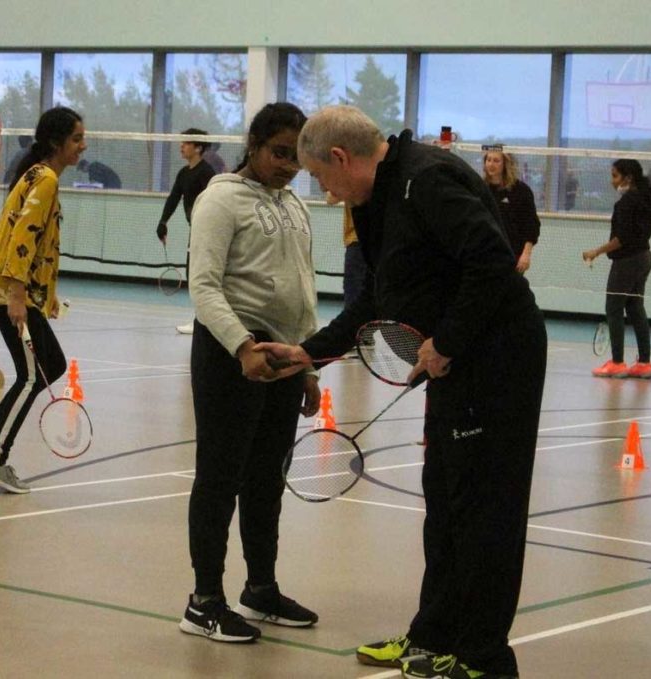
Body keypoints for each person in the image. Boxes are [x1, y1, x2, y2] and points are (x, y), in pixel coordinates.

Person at [254, 105, 547, 679]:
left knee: (486, 511)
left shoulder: (426, 179)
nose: (327, 192)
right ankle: (432, 637)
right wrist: (310, 351)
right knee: (444, 503)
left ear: (341, 158)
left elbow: (492, 263)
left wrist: (450, 341)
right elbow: (375, 298)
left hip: (498, 359)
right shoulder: (377, 200)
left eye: (322, 177)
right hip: (454, 362)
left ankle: (485, 659)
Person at [178, 103, 322, 644]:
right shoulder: (220, 197)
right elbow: (204, 286)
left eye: (297, 156)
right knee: (219, 480)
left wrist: (306, 365)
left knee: (267, 481)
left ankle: (260, 589)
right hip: (230, 356)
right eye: (280, 153)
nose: (289, 165)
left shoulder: (294, 205)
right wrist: (241, 346)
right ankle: (203, 601)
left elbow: (302, 289)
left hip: (284, 359)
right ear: (255, 144)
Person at [0, 107, 86, 494]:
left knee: (52, 363)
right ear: (57, 143)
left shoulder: (38, 174)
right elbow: (23, 237)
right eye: (77, 139)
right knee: (36, 372)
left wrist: (45, 297)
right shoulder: (46, 178)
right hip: (7, 288)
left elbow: (39, 243)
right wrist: (18, 294)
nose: (83, 145)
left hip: (14, 287)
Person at [582, 158, 651, 380]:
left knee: (614, 308)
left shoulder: (626, 203)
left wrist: (595, 252)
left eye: (615, 176)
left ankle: (617, 363)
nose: (611, 181)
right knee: (636, 308)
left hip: (627, 261)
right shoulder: (646, 200)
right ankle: (644, 363)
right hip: (644, 258)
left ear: (628, 178)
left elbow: (620, 239)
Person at [156, 127, 217, 334]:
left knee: (202, 275)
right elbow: (174, 198)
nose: (181, 146)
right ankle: (201, 320)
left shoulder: (207, 173)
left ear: (198, 147)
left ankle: (203, 322)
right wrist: (163, 222)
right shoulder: (184, 173)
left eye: (186, 143)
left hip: (208, 231)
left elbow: (215, 202)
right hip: (195, 230)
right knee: (194, 274)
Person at [482, 147, 540, 274]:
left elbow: (531, 226)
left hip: (513, 255)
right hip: (485, 254)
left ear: (505, 164)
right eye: (489, 160)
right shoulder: (480, 188)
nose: (491, 164)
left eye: (496, 161)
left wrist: (526, 254)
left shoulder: (521, 191)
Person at [326, 190, 368, 306]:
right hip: (366, 242)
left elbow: (331, 198)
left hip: (357, 242)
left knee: (355, 295)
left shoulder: (352, 182)